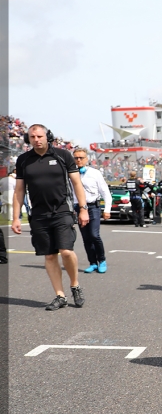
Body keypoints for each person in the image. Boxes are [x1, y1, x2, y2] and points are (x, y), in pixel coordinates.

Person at [11, 124, 88, 310]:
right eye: (32, 137)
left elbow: (77, 184)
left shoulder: (63, 156)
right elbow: (19, 190)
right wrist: (15, 217)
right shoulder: (23, 160)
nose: (36, 140)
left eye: (39, 136)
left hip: (62, 210)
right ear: (27, 139)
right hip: (38, 214)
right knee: (50, 256)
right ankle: (60, 296)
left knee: (66, 251)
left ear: (48, 137)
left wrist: (83, 208)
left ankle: (75, 285)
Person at [72, 148, 112, 273]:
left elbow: (105, 192)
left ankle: (102, 260)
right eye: (76, 158)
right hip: (78, 208)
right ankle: (92, 262)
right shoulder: (70, 173)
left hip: (93, 207)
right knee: (86, 238)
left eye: (81, 157)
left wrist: (107, 210)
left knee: (94, 235)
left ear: (87, 159)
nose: (78, 160)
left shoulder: (95, 173)